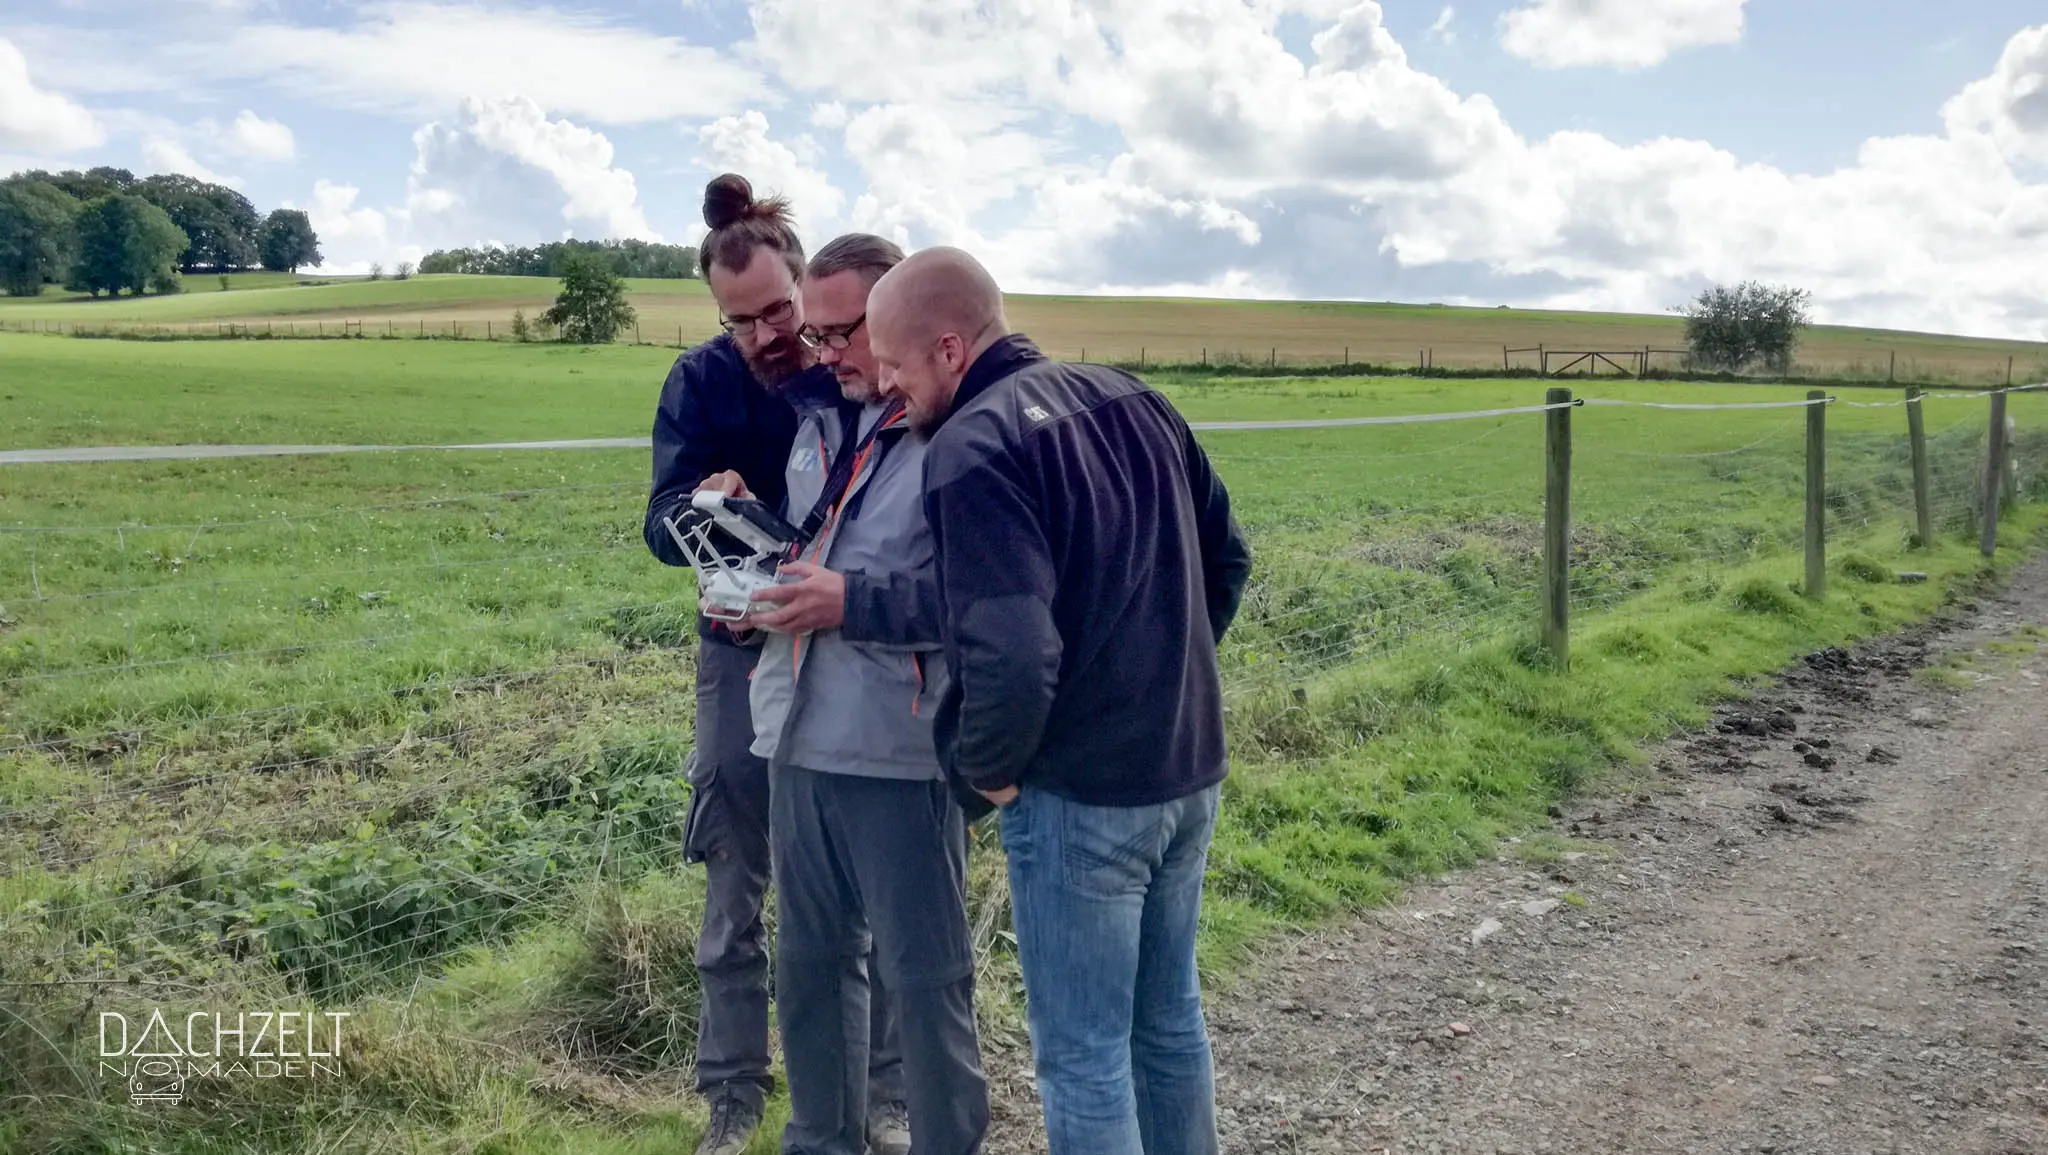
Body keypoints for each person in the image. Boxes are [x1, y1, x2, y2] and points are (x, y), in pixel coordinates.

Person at [868, 247, 1254, 1155]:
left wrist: (990, 771)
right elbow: (1225, 561)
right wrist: (1157, 680)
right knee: (1170, 1024)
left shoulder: (972, 448)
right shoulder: (1135, 398)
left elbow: (1009, 647)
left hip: (1080, 798)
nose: (883, 385)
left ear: (952, 348)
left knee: (1081, 1059)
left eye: (893, 362)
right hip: (1187, 770)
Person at [697, 233, 990, 1155]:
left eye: (838, 334)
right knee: (811, 969)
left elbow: (988, 599)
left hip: (900, 747)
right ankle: (821, 1140)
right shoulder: (821, 420)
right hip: (796, 734)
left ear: (900, 315)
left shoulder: (961, 432)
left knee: (925, 976)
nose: (819, 354)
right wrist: (765, 594)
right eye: (813, 335)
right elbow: (819, 551)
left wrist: (847, 601)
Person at [642, 176, 910, 1155]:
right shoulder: (701, 384)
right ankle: (731, 1100)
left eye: (778, 311)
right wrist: (695, 510)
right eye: (740, 319)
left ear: (807, 289)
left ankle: (885, 1095)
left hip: (851, 656)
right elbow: (657, 521)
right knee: (732, 881)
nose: (765, 333)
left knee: (863, 882)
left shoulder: (857, 370)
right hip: (741, 656)